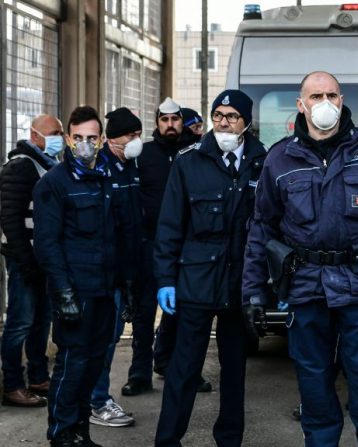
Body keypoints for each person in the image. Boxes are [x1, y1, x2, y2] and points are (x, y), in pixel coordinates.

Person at [242, 71, 358, 447]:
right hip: (306, 287)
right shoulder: (280, 158)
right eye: (315, 96)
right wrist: (253, 292)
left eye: (331, 95)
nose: (324, 103)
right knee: (314, 387)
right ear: (301, 105)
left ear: (342, 100)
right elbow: (262, 228)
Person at [153, 89, 266, 447]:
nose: (223, 122)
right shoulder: (188, 162)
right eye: (218, 114)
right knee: (184, 368)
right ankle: (168, 440)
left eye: (232, 116)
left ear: (246, 122)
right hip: (196, 282)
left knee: (235, 370)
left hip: (240, 284)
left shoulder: (263, 162)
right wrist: (166, 280)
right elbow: (170, 226)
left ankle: (229, 439)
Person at [34, 106, 135, 446]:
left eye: (92, 138)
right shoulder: (54, 184)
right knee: (71, 365)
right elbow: (47, 244)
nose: (86, 144)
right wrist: (63, 293)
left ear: (102, 139)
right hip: (75, 292)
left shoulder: (108, 179)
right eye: (79, 138)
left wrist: (126, 285)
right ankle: (62, 434)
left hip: (104, 291)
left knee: (93, 365)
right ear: (68, 139)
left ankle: (81, 432)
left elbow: (117, 237)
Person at [121, 97, 205, 397]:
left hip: (186, 247)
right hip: (149, 246)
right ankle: (139, 374)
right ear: (157, 122)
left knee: (183, 314)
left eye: (175, 119)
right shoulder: (143, 154)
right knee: (144, 314)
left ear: (182, 121)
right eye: (164, 119)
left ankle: (175, 368)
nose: (170, 125)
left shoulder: (194, 154)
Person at [0, 114, 63, 408]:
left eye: (61, 133)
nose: (59, 138)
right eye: (54, 133)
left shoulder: (49, 165)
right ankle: (12, 385)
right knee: (20, 323)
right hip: (25, 261)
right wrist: (26, 262)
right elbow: (11, 220)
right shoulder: (20, 166)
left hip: (44, 260)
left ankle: (39, 378)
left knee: (41, 322)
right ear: (35, 135)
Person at [87, 107, 144, 428]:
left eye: (138, 134)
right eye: (130, 135)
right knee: (102, 339)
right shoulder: (101, 170)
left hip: (126, 270)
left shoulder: (131, 167)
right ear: (112, 139)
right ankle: (96, 400)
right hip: (104, 271)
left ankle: (93, 397)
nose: (137, 140)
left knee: (110, 336)